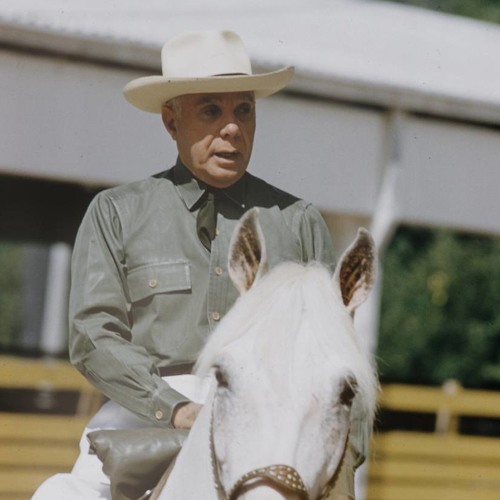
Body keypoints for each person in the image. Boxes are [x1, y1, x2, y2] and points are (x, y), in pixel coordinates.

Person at [33, 30, 365, 500]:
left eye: (244, 110)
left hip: (272, 426)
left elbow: (339, 356)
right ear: (171, 121)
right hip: (142, 418)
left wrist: (347, 460)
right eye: (211, 111)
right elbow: (93, 336)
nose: (232, 128)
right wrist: (173, 407)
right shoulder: (116, 212)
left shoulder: (299, 221)